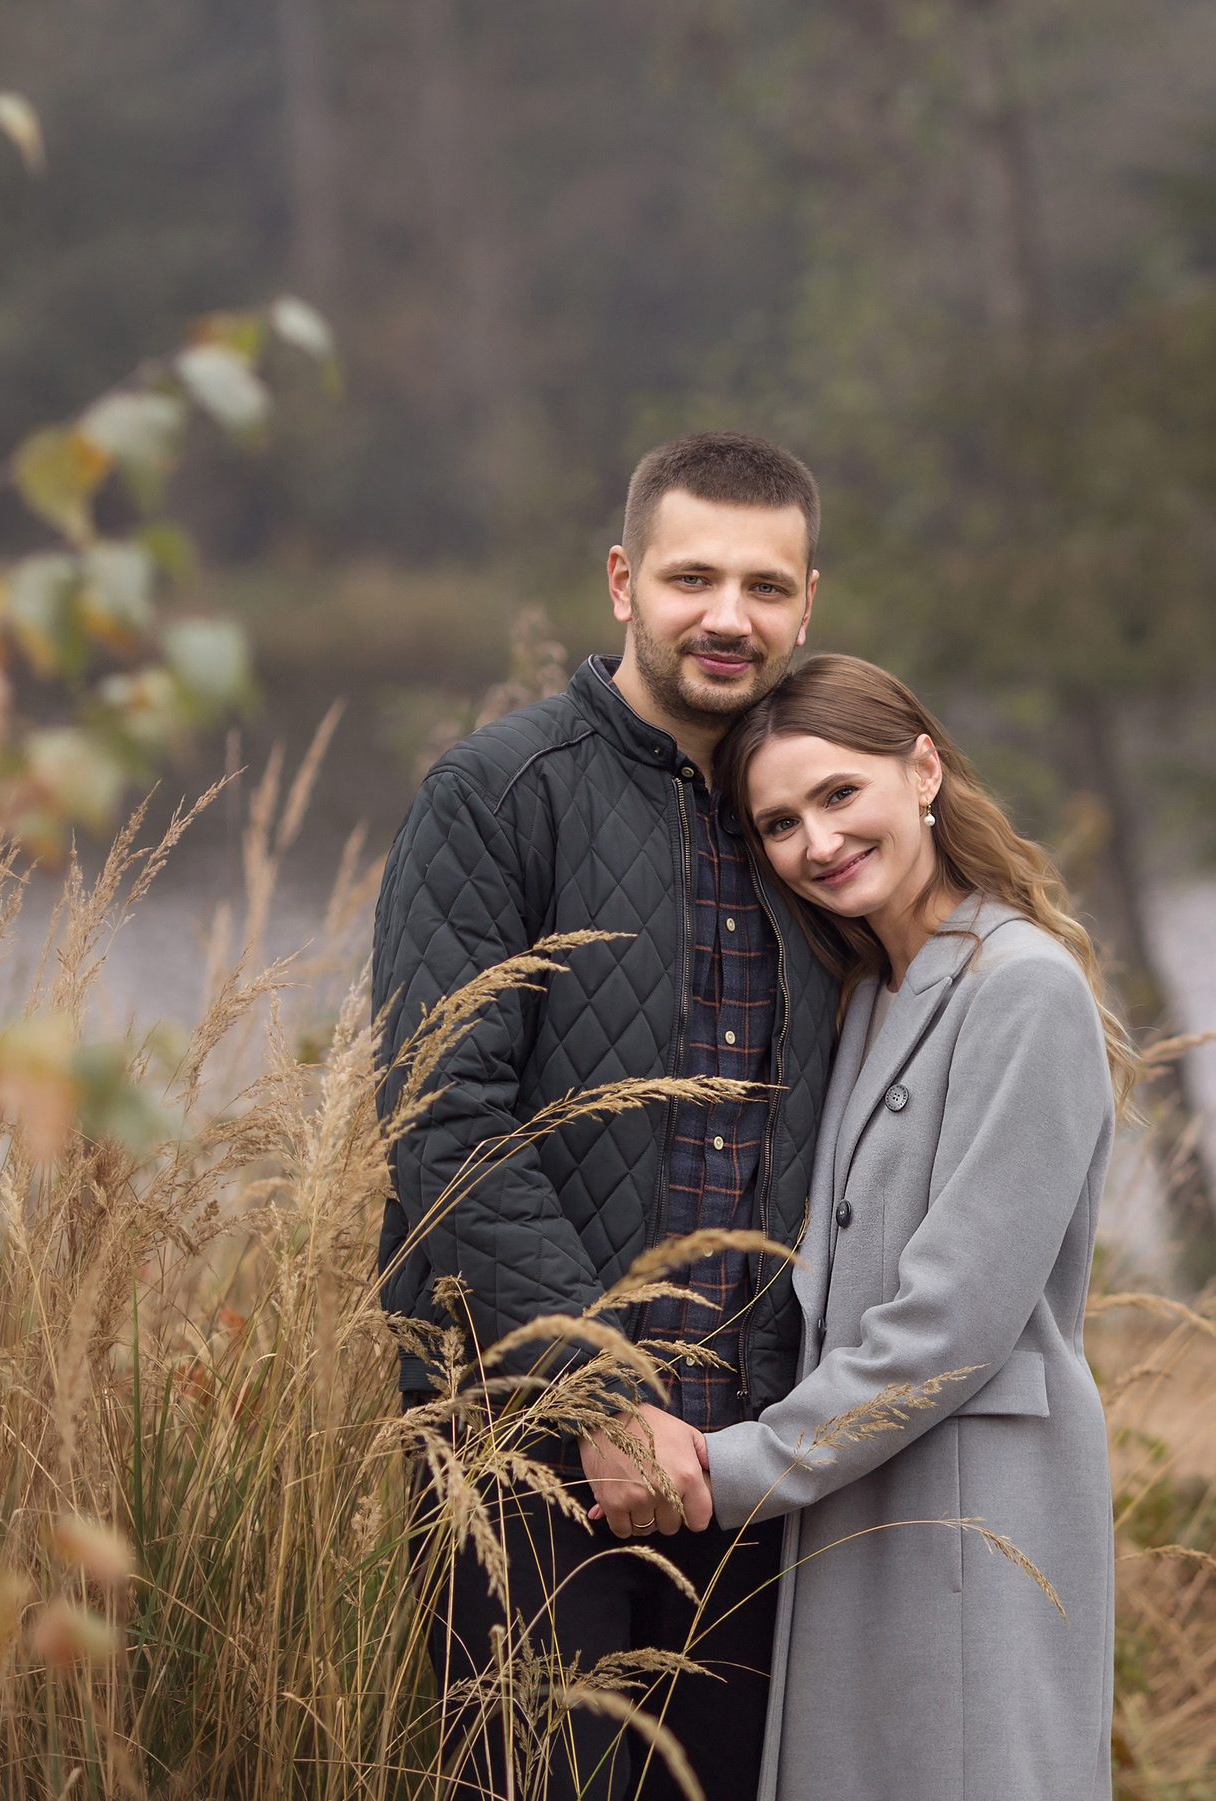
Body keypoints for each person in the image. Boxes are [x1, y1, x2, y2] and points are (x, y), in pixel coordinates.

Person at [372, 432, 839, 1799]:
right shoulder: (499, 792)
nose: (728, 616)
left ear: (808, 603)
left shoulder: (817, 822)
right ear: (624, 581)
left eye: (765, 585)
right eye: (694, 578)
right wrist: (601, 1394)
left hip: (753, 1460)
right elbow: (443, 1122)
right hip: (528, 1456)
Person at [694, 653, 1126, 1801]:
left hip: (976, 1514)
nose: (818, 841)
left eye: (839, 794)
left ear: (922, 770)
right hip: (862, 1501)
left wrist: (736, 1468)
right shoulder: (863, 993)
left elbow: (950, 1322)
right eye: (780, 822)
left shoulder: (1021, 984)